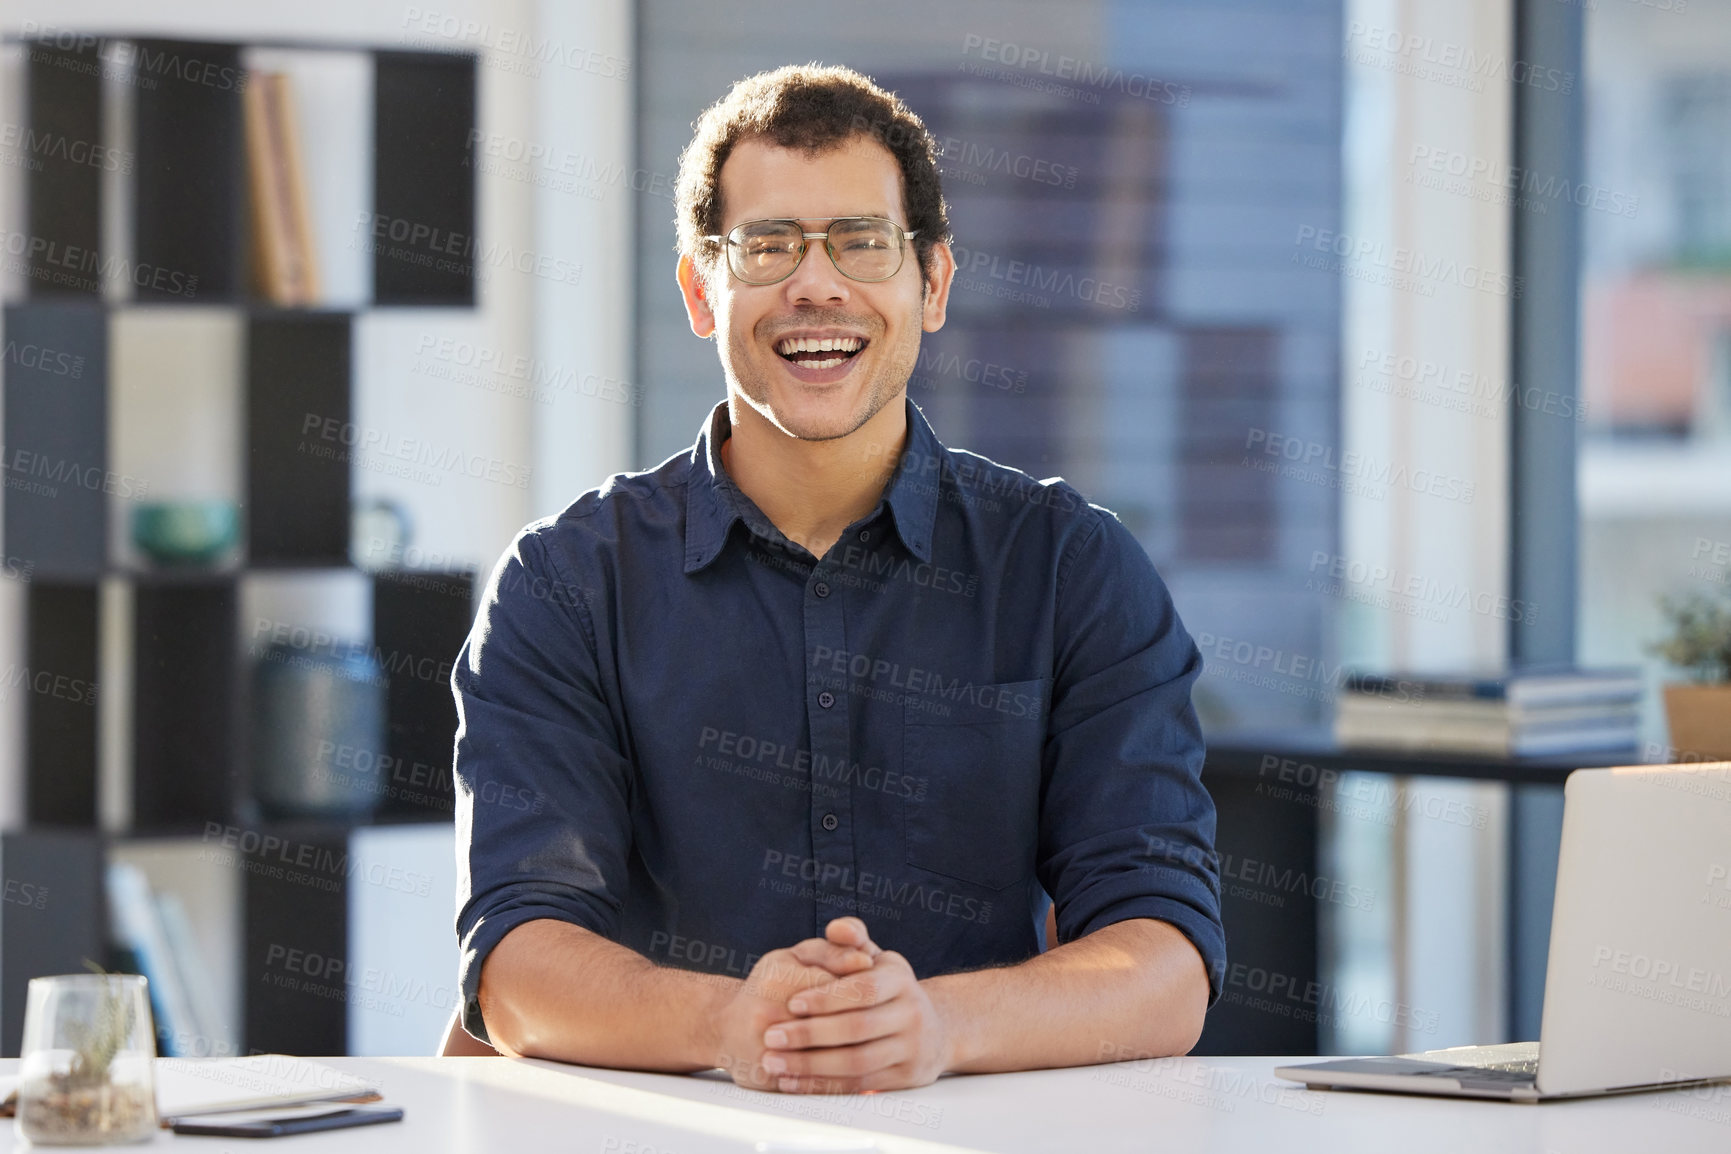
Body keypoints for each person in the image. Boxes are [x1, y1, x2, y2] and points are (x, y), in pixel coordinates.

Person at [451, 63, 1223, 1094]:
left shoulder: (1070, 566)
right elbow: (515, 963)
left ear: (932, 282)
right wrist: (736, 1024)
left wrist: (933, 1025)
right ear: (699, 288)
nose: (817, 285)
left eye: (862, 243)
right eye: (767, 247)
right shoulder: (564, 581)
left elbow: (1166, 961)